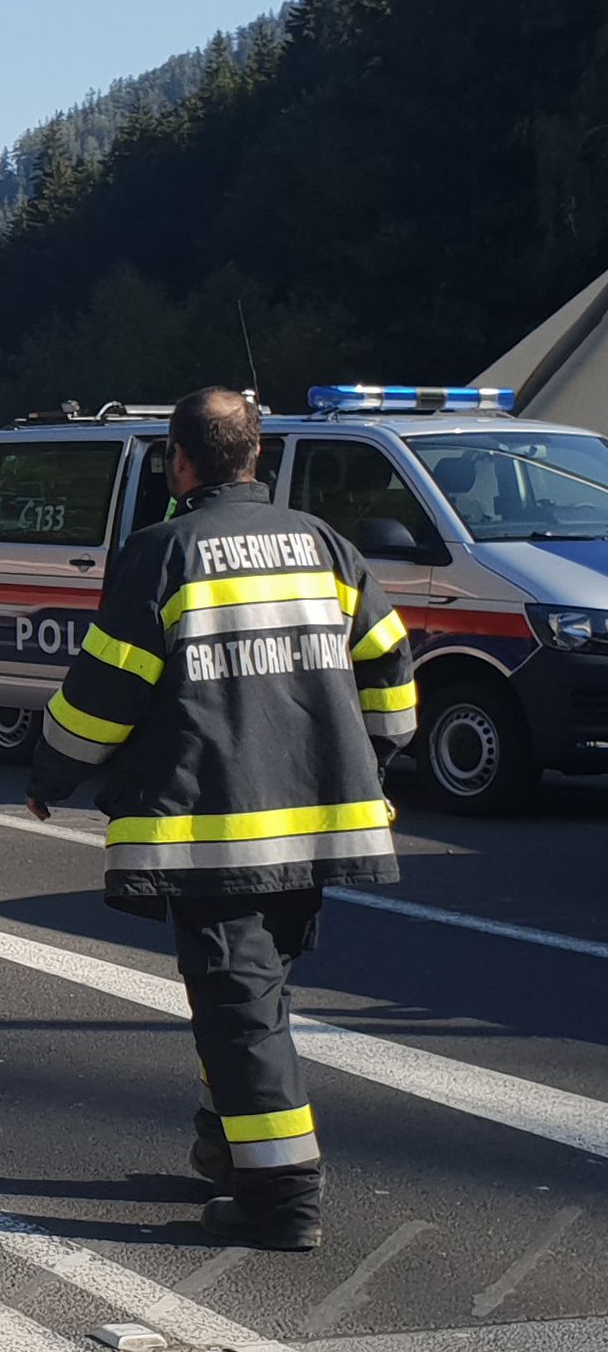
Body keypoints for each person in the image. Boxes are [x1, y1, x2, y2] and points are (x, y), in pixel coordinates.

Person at [26, 388, 415, 1253]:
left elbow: (101, 695)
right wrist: (376, 759)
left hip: (213, 828)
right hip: (316, 823)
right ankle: (226, 1147)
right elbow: (388, 659)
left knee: (238, 1009)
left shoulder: (163, 553)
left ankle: (282, 1196)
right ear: (257, 457)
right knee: (250, 996)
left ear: (181, 461)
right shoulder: (324, 547)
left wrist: (49, 770)